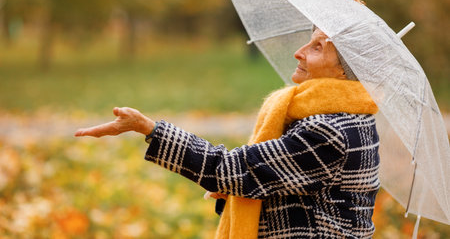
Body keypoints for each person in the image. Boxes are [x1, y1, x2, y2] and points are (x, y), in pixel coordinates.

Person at [75, 28, 380, 239]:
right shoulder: (348, 116)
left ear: (344, 71)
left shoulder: (327, 130)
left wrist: (148, 128)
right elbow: (305, 190)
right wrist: (242, 187)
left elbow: (231, 169)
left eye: (317, 47)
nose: (299, 53)